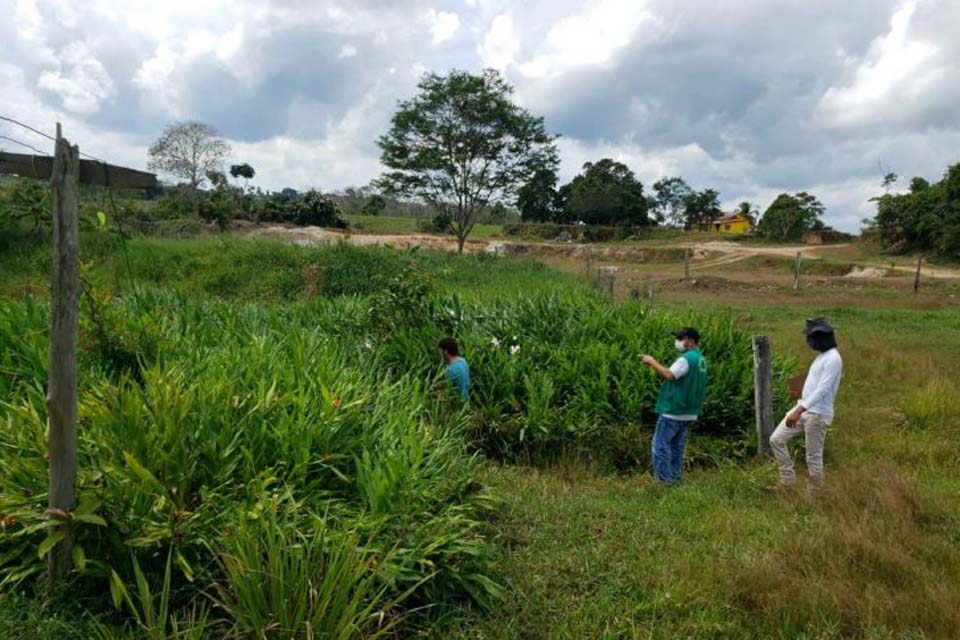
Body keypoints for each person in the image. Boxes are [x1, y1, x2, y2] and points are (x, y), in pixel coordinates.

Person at [769, 317, 843, 490]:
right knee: (776, 439)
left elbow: (823, 389)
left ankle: (814, 494)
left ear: (820, 337)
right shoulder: (821, 357)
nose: (808, 341)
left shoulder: (833, 359)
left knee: (813, 456)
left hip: (817, 414)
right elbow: (814, 385)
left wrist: (798, 410)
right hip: (804, 409)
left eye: (810, 338)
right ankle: (787, 481)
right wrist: (798, 397)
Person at [640, 327, 708, 485]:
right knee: (676, 447)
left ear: (690, 341)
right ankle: (675, 480)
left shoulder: (686, 359)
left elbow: (670, 375)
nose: (677, 341)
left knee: (660, 446)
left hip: (673, 410)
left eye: (680, 338)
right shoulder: (701, 359)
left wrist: (652, 362)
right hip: (689, 411)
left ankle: (664, 483)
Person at [438, 337, 470, 403]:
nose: (440, 354)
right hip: (466, 398)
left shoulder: (450, 370)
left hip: (457, 402)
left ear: (446, 352)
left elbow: (447, 390)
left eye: (440, 351)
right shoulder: (463, 361)